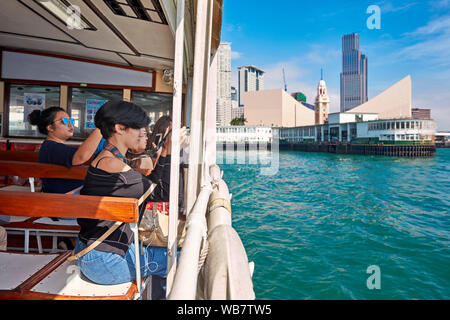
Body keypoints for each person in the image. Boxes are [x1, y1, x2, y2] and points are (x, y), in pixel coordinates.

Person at [74, 100, 178, 297]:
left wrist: (164, 151)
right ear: (119, 128)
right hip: (104, 262)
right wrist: (170, 151)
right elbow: (163, 193)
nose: (143, 133)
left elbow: (153, 187)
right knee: (182, 257)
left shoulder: (108, 159)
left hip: (95, 253)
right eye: (139, 127)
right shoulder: (113, 166)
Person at [28, 107, 103, 194]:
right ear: (50, 128)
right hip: (64, 199)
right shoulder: (51, 148)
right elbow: (80, 157)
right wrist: (100, 128)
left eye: (71, 121)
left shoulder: (51, 146)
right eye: (64, 121)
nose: (70, 125)